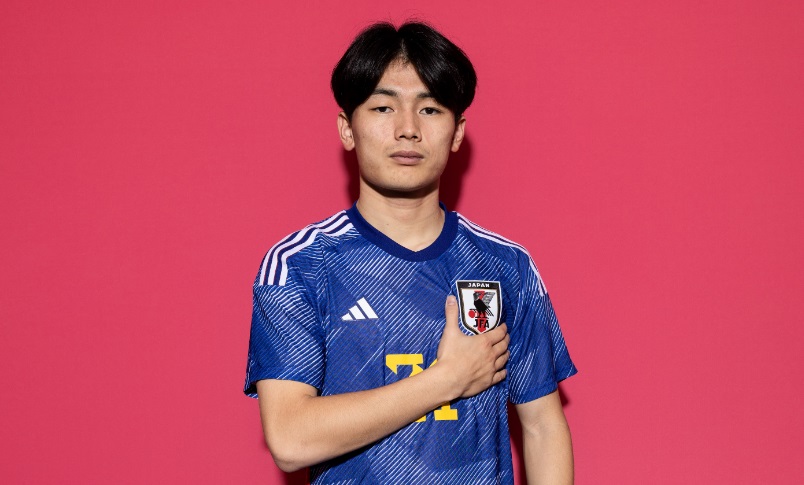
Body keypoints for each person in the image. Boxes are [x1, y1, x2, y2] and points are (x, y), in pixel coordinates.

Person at [244, 21, 577, 484]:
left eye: (430, 109)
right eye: (383, 107)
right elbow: (290, 439)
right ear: (347, 128)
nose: (407, 129)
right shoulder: (300, 265)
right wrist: (447, 379)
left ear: (457, 133)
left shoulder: (506, 266)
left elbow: (541, 427)